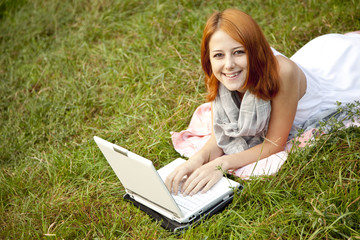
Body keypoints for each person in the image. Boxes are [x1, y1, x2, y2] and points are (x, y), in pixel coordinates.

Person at [165, 9, 360, 196]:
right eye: (218, 55)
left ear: (255, 50)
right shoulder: (220, 72)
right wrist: (197, 159)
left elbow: (274, 144)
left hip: (344, 72)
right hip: (318, 54)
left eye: (239, 52)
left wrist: (222, 164)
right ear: (209, 57)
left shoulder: (283, 74)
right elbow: (220, 135)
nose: (229, 64)